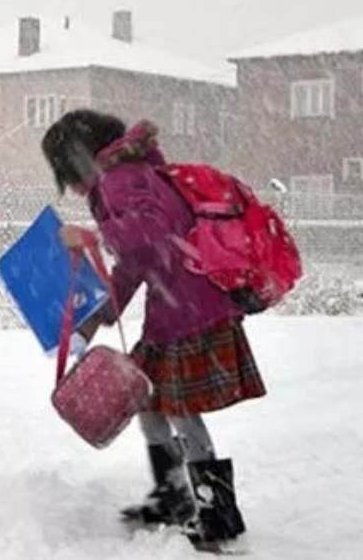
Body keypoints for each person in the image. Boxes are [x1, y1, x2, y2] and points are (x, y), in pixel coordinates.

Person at [42, 110, 265, 547]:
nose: (68, 184)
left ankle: (215, 513)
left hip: (189, 310)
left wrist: (91, 233)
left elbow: (152, 229)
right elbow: (137, 261)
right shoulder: (127, 175)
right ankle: (174, 496)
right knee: (149, 401)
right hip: (177, 305)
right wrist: (102, 314)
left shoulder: (120, 179)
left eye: (65, 171)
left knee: (180, 409)